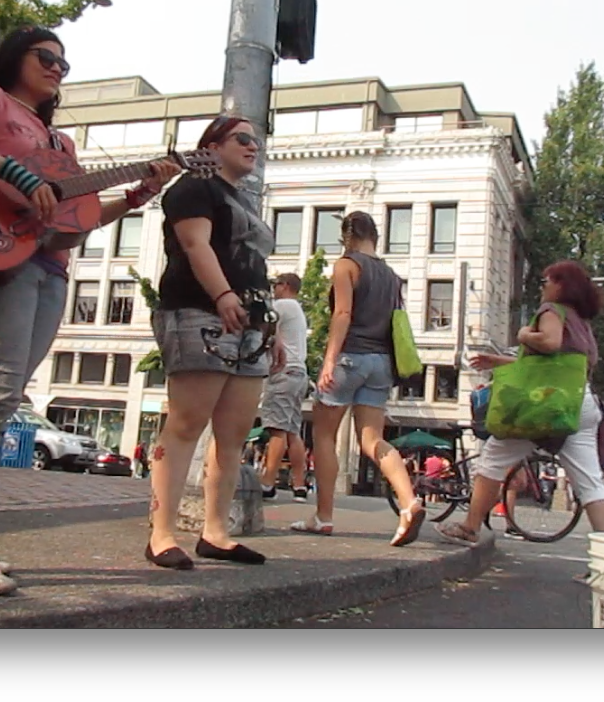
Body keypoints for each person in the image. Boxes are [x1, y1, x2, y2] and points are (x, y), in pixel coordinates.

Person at [0, 25, 181, 595]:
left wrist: (138, 195)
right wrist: (11, 171)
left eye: (65, 63)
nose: (58, 68)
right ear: (16, 57)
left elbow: (71, 228)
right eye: (47, 57)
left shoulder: (61, 147)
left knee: (2, 397)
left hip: (46, 269)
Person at [145, 115, 279, 570]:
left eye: (256, 141)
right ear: (213, 145)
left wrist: (267, 325)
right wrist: (222, 295)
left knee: (234, 433)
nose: (252, 147)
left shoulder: (240, 199)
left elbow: (254, 265)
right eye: (243, 138)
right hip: (198, 312)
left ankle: (215, 531)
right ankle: (161, 534)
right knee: (186, 422)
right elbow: (194, 244)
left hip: (247, 323)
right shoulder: (193, 188)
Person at [435, 260, 604, 554]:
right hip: (579, 403)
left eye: (547, 280)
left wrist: (522, 335)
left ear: (561, 285)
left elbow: (550, 343)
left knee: (493, 457)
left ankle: (470, 526)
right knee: (590, 484)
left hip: (544, 403)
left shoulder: (551, 311)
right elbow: (550, 365)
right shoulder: (581, 323)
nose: (543, 285)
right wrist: (500, 361)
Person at [292, 212, 426, 546]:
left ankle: (323, 516)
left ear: (346, 237)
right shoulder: (392, 276)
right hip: (382, 362)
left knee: (324, 435)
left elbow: (343, 314)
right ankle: (409, 502)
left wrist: (329, 360)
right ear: (376, 236)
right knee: (372, 440)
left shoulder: (346, 266)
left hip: (350, 357)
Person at [257, 273, 312, 501]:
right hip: (299, 373)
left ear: (286, 286)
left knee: (277, 429)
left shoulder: (282, 306)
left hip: (283, 372)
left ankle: (268, 483)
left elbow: (261, 323)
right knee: (292, 430)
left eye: (276, 284)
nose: (273, 289)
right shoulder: (297, 310)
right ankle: (299, 485)